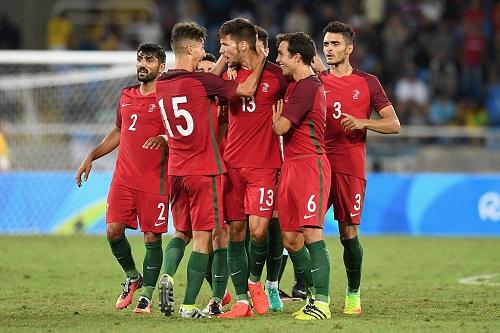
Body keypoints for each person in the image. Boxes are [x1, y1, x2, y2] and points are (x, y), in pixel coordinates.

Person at [155, 21, 266, 319]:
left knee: (181, 232)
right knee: (206, 239)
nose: (207, 51)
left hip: (175, 171)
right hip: (204, 171)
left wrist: (220, 60)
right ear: (191, 48)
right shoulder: (201, 83)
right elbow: (246, 89)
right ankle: (189, 305)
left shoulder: (163, 82)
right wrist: (263, 60)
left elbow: (202, 82)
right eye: (203, 47)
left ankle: (166, 274)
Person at [75, 43, 168, 314]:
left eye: (149, 60)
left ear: (162, 67)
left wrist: (165, 138)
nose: (142, 64)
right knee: (113, 230)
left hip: (155, 179)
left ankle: (147, 294)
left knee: (152, 237)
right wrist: (92, 155)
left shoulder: (168, 99)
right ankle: (133, 276)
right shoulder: (126, 94)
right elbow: (119, 131)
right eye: (140, 59)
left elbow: (184, 133)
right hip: (124, 177)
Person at [320, 21, 400, 315]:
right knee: (303, 233)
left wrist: (364, 121)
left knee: (348, 232)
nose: (329, 49)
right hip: (317, 164)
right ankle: (314, 295)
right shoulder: (316, 81)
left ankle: (353, 294)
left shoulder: (368, 82)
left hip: (350, 166)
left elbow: (394, 124)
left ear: (349, 48)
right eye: (326, 44)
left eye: (335, 44)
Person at [216, 19, 287, 318]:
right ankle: (242, 301)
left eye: (225, 45)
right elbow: (236, 87)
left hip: (264, 165)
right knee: (236, 231)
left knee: (259, 231)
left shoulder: (279, 76)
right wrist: (225, 60)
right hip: (232, 165)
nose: (220, 51)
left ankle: (256, 282)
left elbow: (310, 80)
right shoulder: (227, 77)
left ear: (243, 44)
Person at [273, 32, 332, 320]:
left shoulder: (309, 86)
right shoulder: (295, 83)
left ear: (297, 57)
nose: (278, 59)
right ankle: (312, 292)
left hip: (311, 165)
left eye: (282, 53)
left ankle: (321, 303)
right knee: (291, 239)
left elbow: (281, 127)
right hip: (290, 166)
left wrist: (276, 119)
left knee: (311, 233)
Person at [195, 52, 233, 315]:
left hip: (227, 171)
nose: (211, 75)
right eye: (204, 71)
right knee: (200, 238)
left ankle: (217, 297)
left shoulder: (228, 102)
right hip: (197, 173)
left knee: (223, 234)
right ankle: (222, 290)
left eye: (213, 69)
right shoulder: (192, 104)